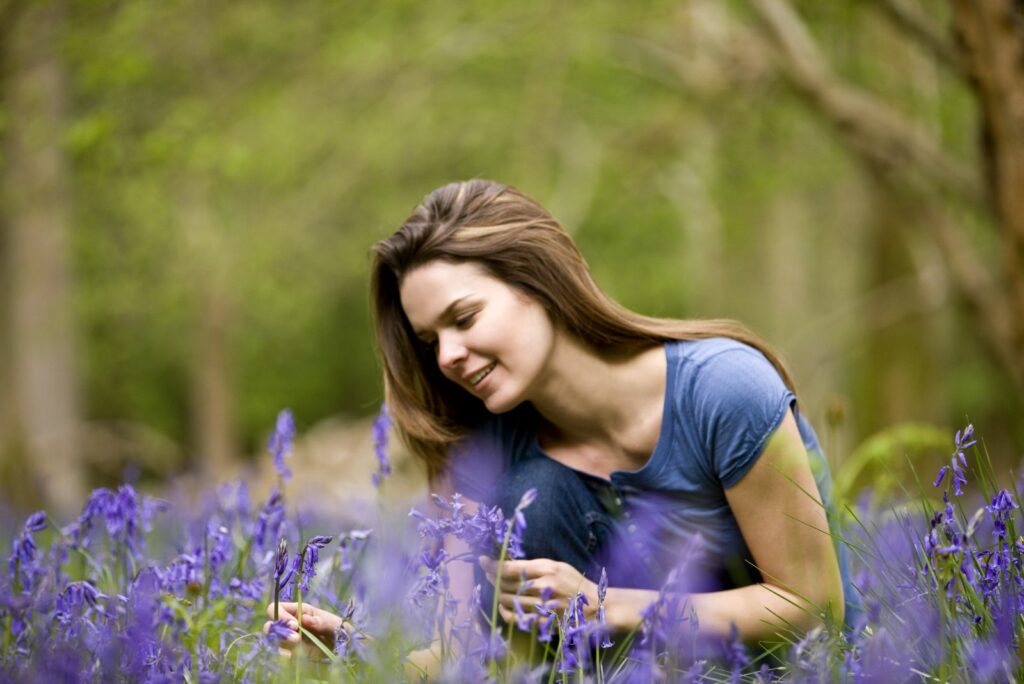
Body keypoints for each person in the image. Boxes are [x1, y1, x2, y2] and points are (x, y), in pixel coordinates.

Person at [266, 179, 856, 671]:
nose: (446, 356)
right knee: (536, 494)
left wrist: (605, 604)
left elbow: (814, 606)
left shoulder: (724, 388)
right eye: (431, 341)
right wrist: (354, 650)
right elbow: (469, 656)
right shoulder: (486, 452)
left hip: (789, 672)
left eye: (464, 318)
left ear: (539, 281)